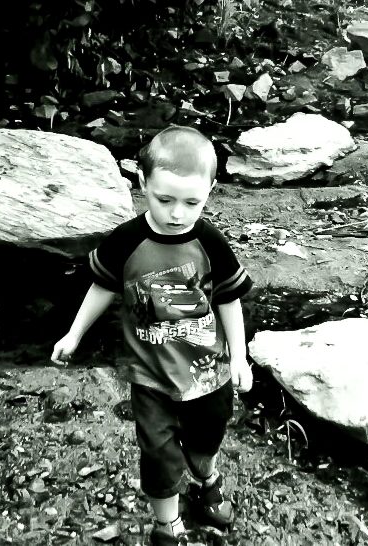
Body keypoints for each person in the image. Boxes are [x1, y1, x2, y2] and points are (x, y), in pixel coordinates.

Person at [51, 125, 254, 545]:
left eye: (192, 202)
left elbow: (230, 300)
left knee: (206, 437)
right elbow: (103, 287)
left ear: (211, 190)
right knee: (159, 454)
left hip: (208, 372)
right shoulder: (126, 241)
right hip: (151, 377)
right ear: (143, 182)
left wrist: (239, 357)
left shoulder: (210, 240)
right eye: (164, 200)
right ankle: (168, 526)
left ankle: (206, 480)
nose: (177, 213)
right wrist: (74, 334)